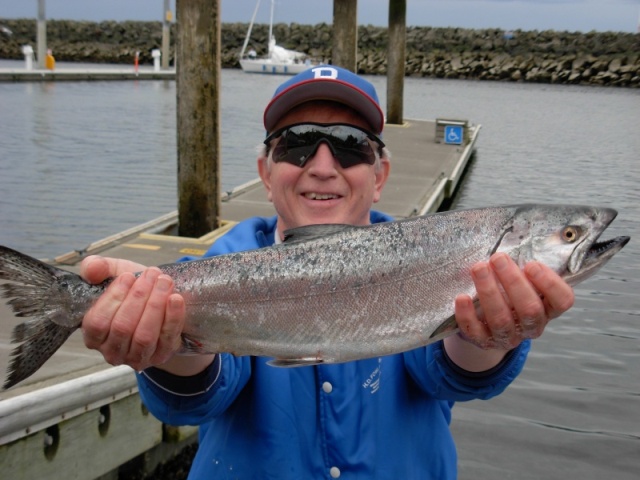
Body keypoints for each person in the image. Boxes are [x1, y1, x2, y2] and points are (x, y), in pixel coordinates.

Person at [80, 65, 575, 478]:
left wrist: (490, 334)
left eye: (349, 145)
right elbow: (199, 396)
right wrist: (163, 342)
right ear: (265, 171)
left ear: (379, 176)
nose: (322, 165)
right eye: (296, 144)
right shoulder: (212, 270)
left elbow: (449, 374)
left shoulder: (433, 261)